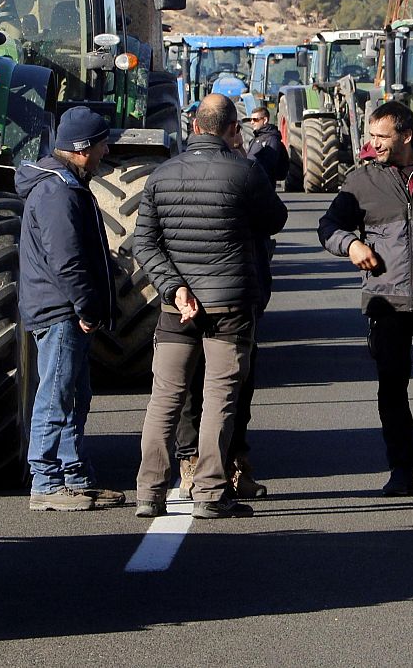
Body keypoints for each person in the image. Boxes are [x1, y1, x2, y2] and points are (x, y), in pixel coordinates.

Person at [132, 94, 287, 519]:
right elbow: (276, 219)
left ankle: (149, 491)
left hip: (175, 309)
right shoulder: (245, 171)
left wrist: (173, 288)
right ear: (232, 129)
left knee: (165, 397)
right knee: (220, 397)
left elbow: (143, 242)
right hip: (231, 304)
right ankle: (211, 492)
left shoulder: (161, 176)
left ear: (195, 127)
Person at [319, 101, 413, 496]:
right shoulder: (361, 181)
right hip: (386, 304)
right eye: (371, 135)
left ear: (407, 135)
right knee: (391, 390)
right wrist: (350, 245)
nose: (373, 143)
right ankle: (401, 470)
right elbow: (328, 225)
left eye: (382, 136)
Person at [15, 106, 124, 511]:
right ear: (81, 150)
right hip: (61, 310)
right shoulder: (57, 192)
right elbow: (67, 259)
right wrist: (85, 305)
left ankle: (73, 474)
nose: (106, 150)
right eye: (100, 144)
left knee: (75, 393)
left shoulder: (63, 186)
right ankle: (45, 481)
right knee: (56, 394)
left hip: (64, 308)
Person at [245, 105, 289, 185]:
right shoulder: (255, 139)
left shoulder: (272, 139)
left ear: (265, 120)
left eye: (255, 119)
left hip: (264, 185)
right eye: (251, 119)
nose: (252, 122)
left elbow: (269, 164)